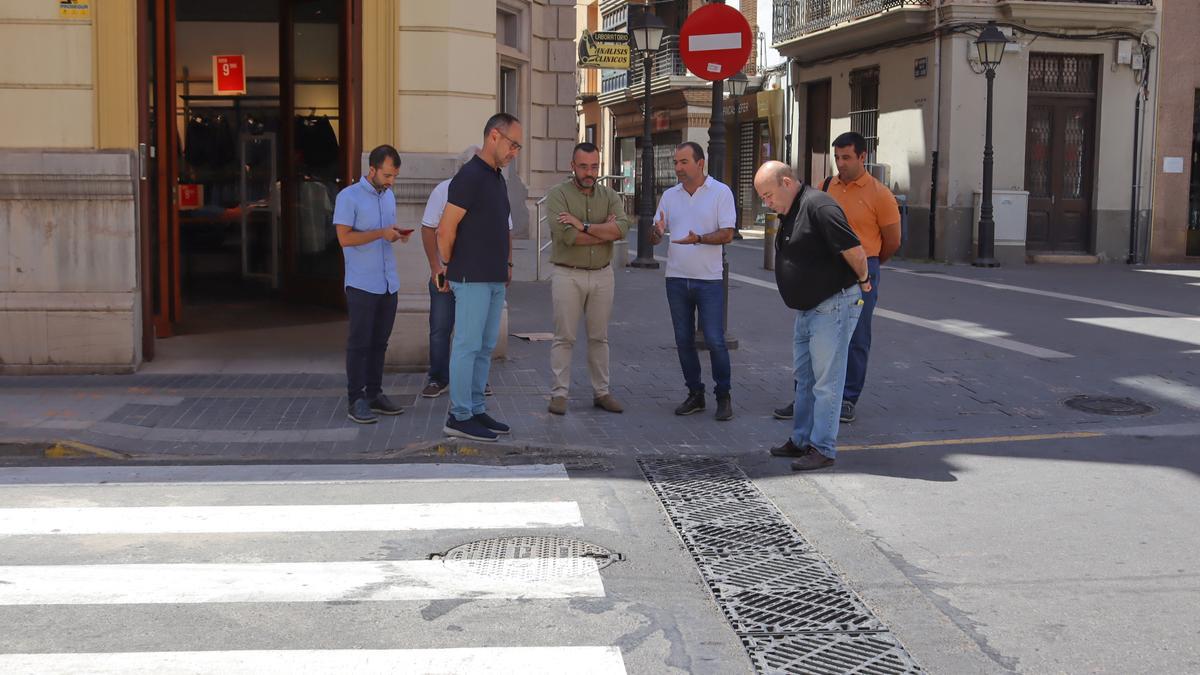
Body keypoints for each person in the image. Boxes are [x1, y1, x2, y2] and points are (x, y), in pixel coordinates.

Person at [774, 132, 901, 424]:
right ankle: (805, 397)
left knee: (856, 336)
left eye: (847, 157)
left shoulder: (880, 194)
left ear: (862, 157)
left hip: (862, 269)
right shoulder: (825, 187)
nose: (841, 164)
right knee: (814, 335)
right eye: (837, 157)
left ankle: (847, 399)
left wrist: (870, 265)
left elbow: (892, 241)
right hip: (826, 268)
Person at [754, 160, 872, 471]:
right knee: (803, 380)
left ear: (787, 183)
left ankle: (823, 447)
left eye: (768, 195)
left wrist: (863, 280)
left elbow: (854, 250)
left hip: (832, 306)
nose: (765, 203)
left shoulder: (819, 206)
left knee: (826, 382)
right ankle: (801, 439)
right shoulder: (791, 209)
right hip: (809, 309)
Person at [435, 113, 521, 442]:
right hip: (471, 277)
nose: (516, 151)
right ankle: (458, 416)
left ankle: (474, 408)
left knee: (485, 347)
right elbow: (445, 229)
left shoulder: (496, 177)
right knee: (467, 346)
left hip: (494, 277)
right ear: (494, 136)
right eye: (513, 144)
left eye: (519, 146)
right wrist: (448, 263)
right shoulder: (469, 176)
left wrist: (507, 267)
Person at [649, 142, 736, 421]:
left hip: (709, 281)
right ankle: (695, 393)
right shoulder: (670, 195)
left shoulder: (720, 193)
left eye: (684, 162)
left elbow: (727, 234)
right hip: (676, 279)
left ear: (701, 163)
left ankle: (723, 395)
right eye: (676, 162)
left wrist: (698, 238)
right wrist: (656, 231)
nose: (678, 168)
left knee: (714, 340)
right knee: (683, 341)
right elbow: (654, 237)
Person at [544, 142, 631, 415]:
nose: (589, 172)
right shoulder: (558, 195)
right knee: (564, 338)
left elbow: (623, 229)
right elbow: (567, 237)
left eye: (594, 166)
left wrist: (584, 225)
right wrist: (605, 229)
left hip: (603, 275)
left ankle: (602, 392)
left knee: (599, 337)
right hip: (567, 274)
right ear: (573, 166)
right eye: (583, 166)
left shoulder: (609, 195)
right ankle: (559, 394)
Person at [419, 145, 509, 400]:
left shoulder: (496, 185)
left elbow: (506, 230)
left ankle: (475, 389)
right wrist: (439, 266)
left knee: (478, 338)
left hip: (483, 275)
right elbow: (432, 230)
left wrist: (508, 265)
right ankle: (439, 380)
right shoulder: (445, 190)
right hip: (451, 273)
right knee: (441, 329)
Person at [333, 145, 411, 424]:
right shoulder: (348, 197)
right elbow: (344, 238)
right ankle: (356, 399)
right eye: (388, 175)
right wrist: (380, 233)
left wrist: (397, 234)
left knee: (380, 343)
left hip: (388, 283)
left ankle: (375, 394)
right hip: (362, 283)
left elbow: (383, 233)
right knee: (359, 344)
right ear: (373, 169)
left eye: (395, 176)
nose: (391, 181)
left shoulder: (388, 196)